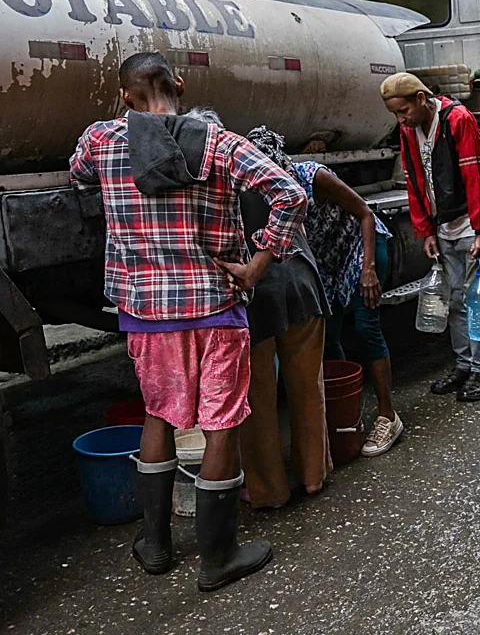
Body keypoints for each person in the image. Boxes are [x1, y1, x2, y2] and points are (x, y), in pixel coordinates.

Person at [69, 52, 307, 591]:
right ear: (180, 83)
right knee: (220, 421)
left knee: (160, 415)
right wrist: (258, 263)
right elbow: (289, 194)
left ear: (125, 94)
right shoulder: (221, 143)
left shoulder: (104, 140)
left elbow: (77, 174)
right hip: (215, 308)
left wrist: (122, 116)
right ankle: (217, 557)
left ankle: (155, 545)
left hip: (146, 310)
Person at [380, 73, 480, 402]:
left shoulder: (457, 119)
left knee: (474, 300)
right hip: (444, 224)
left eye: (403, 110)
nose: (400, 119)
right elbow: (414, 179)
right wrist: (425, 231)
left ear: (421, 99)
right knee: (454, 301)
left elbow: (474, 173)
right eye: (395, 114)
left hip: (471, 221)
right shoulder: (408, 131)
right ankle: (464, 364)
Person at [280, 135, 403, 458]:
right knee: (327, 335)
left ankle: (388, 416)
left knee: (366, 326)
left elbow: (364, 213)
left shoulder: (312, 176)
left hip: (360, 248)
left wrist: (368, 270)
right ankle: (344, 412)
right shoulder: (269, 193)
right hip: (327, 262)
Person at [231, 124, 333, 508]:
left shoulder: (223, 187)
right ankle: (313, 476)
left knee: (257, 399)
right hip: (304, 287)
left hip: (258, 293)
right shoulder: (284, 179)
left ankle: (268, 491)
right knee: (308, 388)